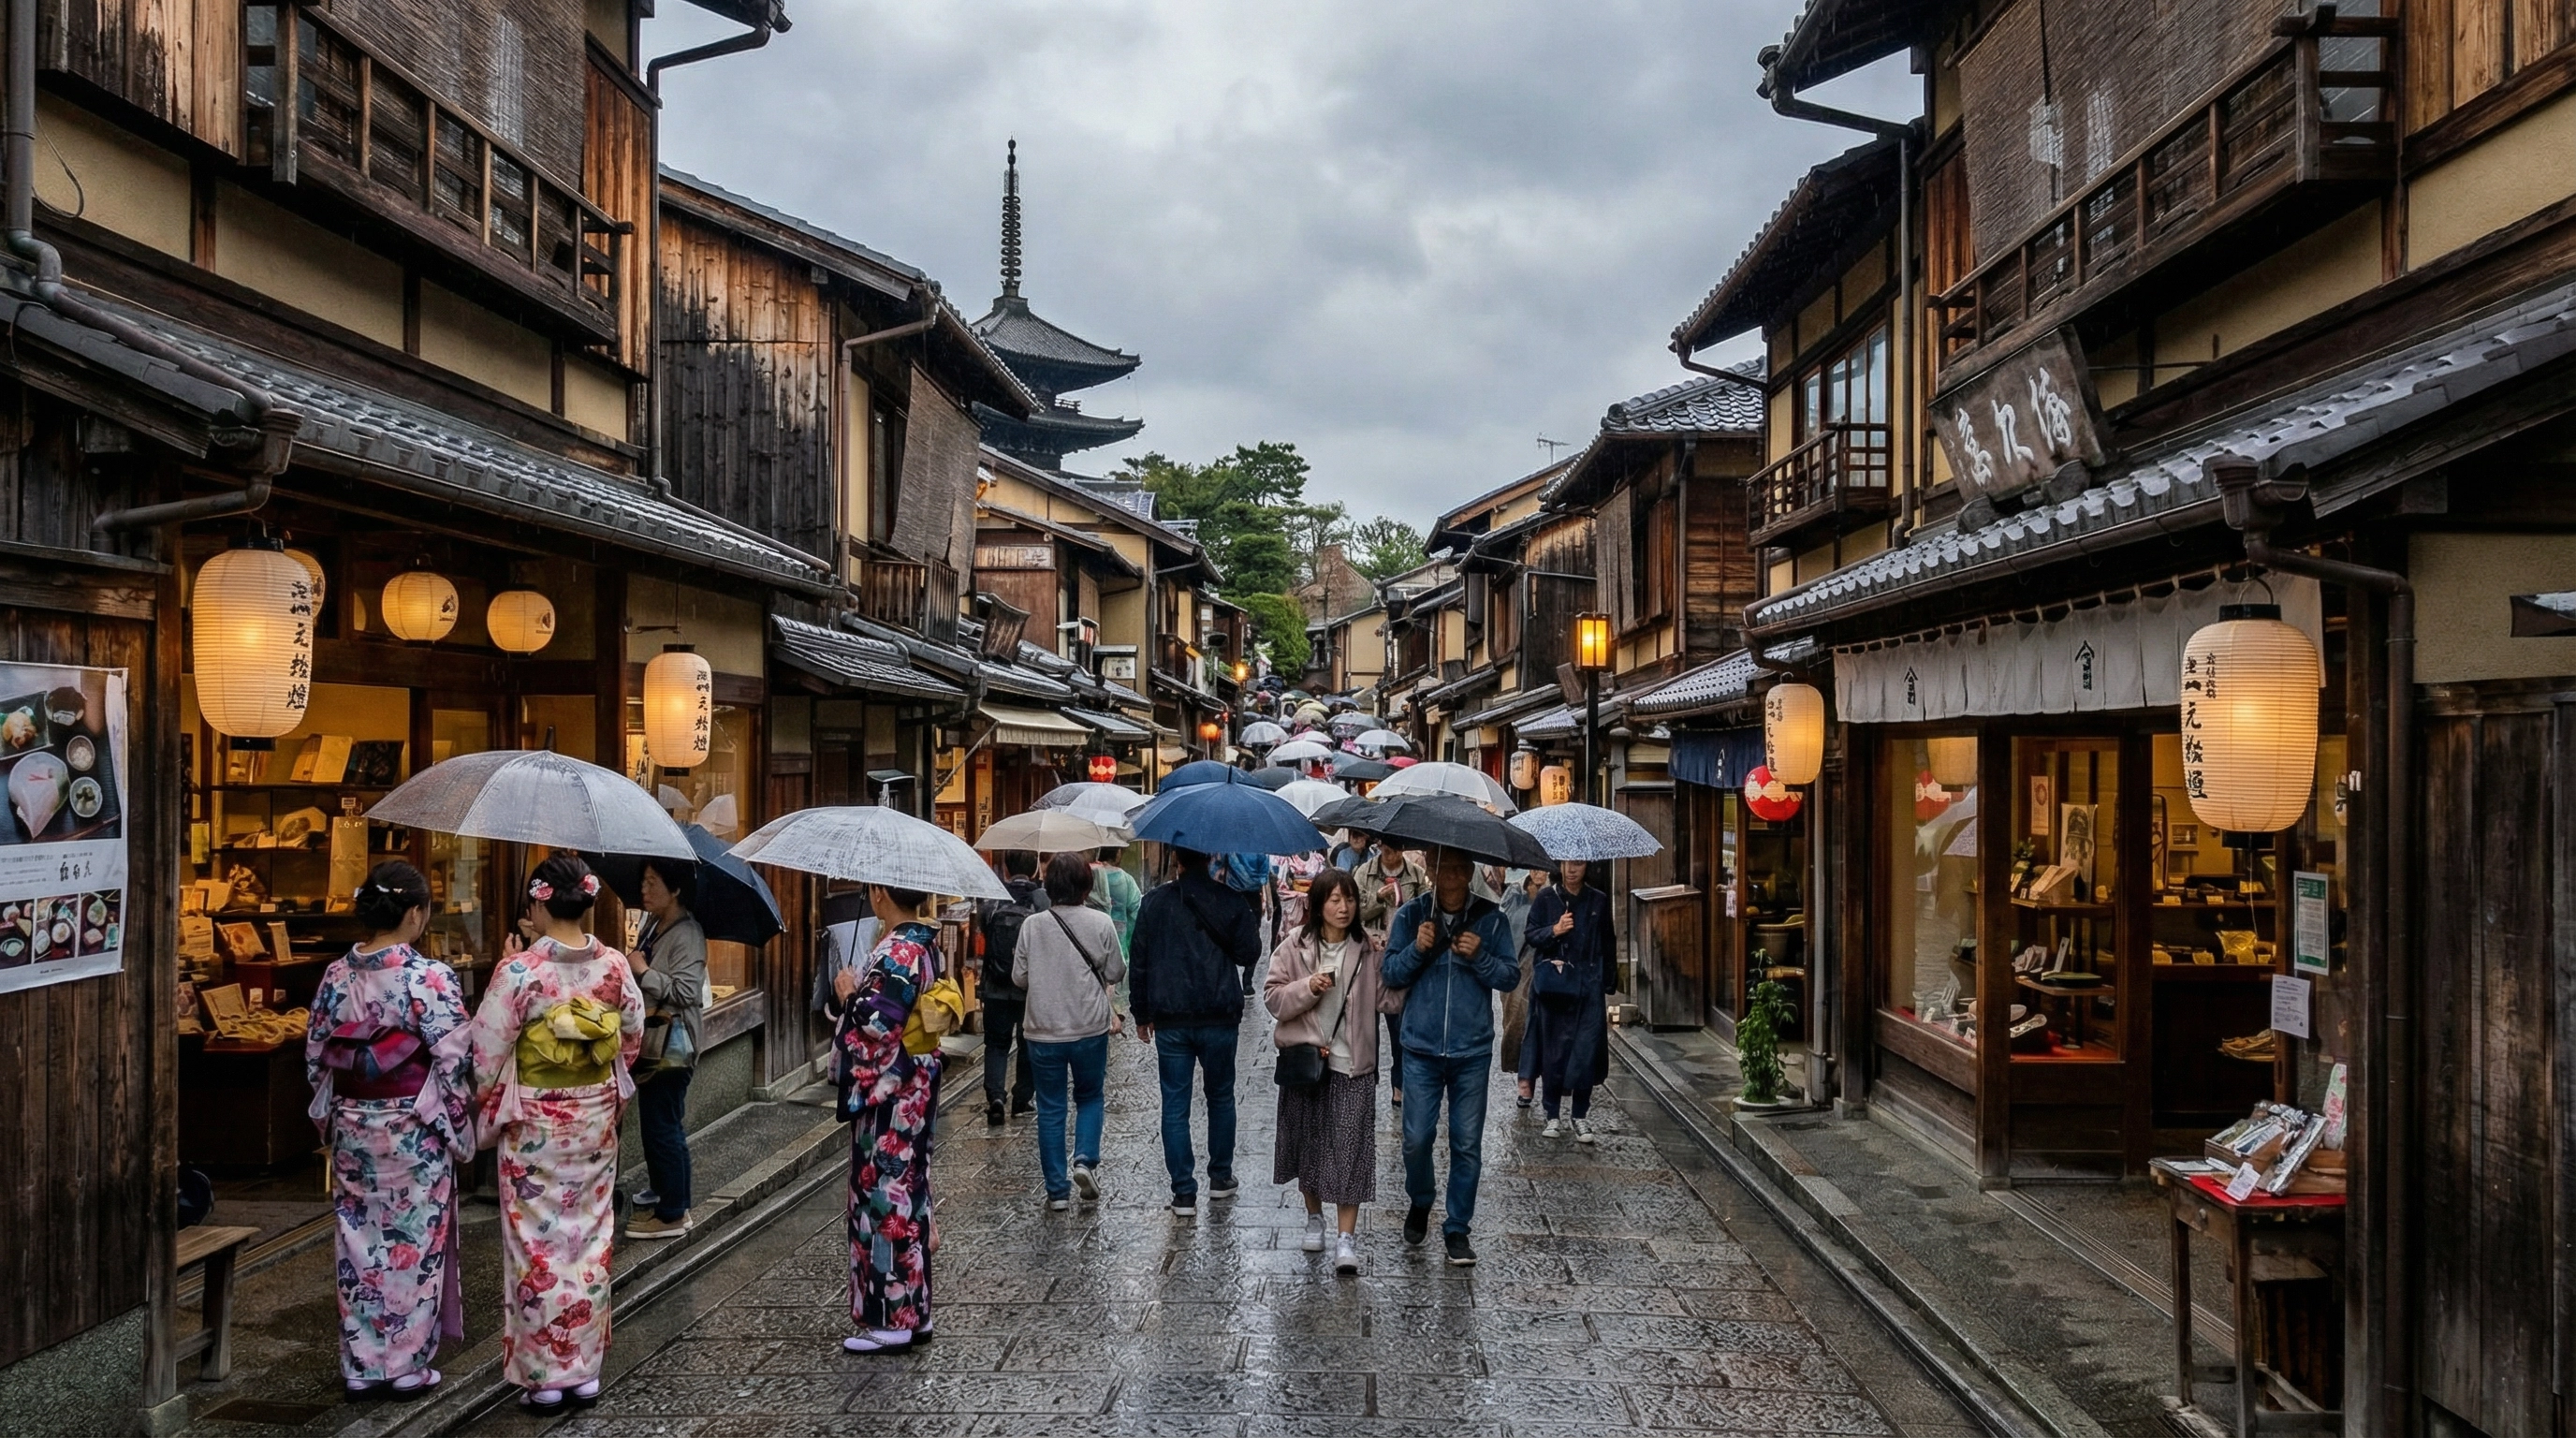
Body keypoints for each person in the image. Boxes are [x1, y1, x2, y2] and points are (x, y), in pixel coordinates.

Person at [453, 853, 644, 1412]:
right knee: (588, 1235)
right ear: (586, 901)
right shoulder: (612, 967)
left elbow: (484, 1058)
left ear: (538, 901)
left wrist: (478, 1101)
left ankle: (546, 1374)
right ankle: (583, 1369)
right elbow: (629, 1038)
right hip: (594, 1120)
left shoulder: (520, 973)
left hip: (536, 1122)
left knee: (537, 1242)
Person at [303, 861, 475, 1401]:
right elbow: (455, 1062)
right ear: (416, 912)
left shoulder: (336, 976)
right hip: (414, 1129)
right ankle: (403, 1364)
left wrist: (331, 1120)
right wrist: (461, 1123)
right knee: (413, 1241)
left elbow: (316, 1059)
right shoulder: (428, 978)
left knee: (359, 1242)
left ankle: (360, 1362)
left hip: (355, 1124)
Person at [1381, 847, 1518, 1268]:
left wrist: (1480, 956)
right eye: (1445, 868)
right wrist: (1417, 950)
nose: (1454, 877)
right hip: (1420, 1047)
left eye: (1462, 868)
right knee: (1416, 1138)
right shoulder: (1410, 916)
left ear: (1471, 871)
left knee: (1466, 1143)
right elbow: (1390, 973)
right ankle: (1420, 1198)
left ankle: (1458, 1226)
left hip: (1471, 1049)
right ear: (1432, 870)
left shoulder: (1491, 919)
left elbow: (1509, 976)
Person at [1264, 869, 1398, 1276]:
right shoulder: (1294, 946)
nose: (1344, 907)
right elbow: (1272, 998)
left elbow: (1390, 1001)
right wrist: (1308, 988)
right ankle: (1314, 1218)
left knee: (1350, 1150)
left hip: (1352, 1065)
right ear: (1318, 905)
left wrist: (1399, 948)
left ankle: (1346, 1238)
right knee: (1308, 1143)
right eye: (1335, 900)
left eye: (1350, 899)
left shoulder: (1368, 949)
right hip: (1306, 1062)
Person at [829, 883, 944, 1353]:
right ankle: (915, 1313)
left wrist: (848, 995)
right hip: (912, 1089)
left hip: (892, 1096)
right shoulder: (921, 944)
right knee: (910, 1196)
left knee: (886, 1200)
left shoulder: (898, 950)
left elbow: (877, 1027)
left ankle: (892, 1317)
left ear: (879, 894)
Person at [1128, 846, 1262, 1217]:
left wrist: (1141, 1013)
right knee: (1220, 1096)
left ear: (1175, 859)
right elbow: (1249, 954)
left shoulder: (1154, 903)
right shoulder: (1230, 900)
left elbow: (1139, 960)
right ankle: (1220, 1177)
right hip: (1219, 1014)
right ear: (1211, 857)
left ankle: (1184, 1192)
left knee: (1175, 1105)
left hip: (1171, 1019)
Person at [1015, 853, 1127, 1211]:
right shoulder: (1101, 922)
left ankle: (1057, 1192)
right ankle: (1084, 1160)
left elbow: (1019, 977)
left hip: (1042, 1028)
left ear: (1048, 885)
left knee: (1050, 1107)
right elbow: (1115, 972)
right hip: (1088, 1027)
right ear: (1086, 886)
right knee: (1090, 1096)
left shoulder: (1033, 925)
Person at [626, 856, 707, 1240]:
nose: (645, 889)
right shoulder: (656, 924)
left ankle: (674, 1211)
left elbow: (687, 993)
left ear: (675, 889)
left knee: (664, 1125)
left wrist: (643, 972)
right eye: (643, 881)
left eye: (653, 882)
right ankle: (663, 1189)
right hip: (655, 1039)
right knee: (655, 1119)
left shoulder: (687, 934)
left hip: (674, 1042)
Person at [1521, 860, 1617, 1141]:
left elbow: (1608, 941)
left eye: (1578, 863)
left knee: (1585, 1051)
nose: (1572, 870)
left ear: (1586, 866)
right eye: (1567, 864)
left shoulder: (1598, 899)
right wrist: (1555, 930)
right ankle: (1552, 1114)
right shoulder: (1546, 897)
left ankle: (1580, 1115)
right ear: (1560, 866)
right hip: (1556, 986)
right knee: (1554, 1050)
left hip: (1589, 987)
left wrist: (1608, 981)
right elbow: (1531, 935)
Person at [1355, 842, 1429, 1108]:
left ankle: (1399, 1084)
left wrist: (1405, 905)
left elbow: (1426, 909)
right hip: (1369, 954)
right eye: (1388, 849)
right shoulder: (1364, 873)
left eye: (1398, 849)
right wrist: (1378, 898)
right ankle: (1366, 1081)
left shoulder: (1415, 873)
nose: (1393, 854)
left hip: (1401, 955)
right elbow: (1355, 911)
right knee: (1365, 1026)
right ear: (1380, 848)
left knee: (1398, 1025)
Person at [975, 850, 1046, 1125]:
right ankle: (1021, 1099)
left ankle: (995, 1096)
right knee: (1027, 1042)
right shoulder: (1040, 900)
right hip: (1028, 984)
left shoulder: (994, 899)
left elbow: (985, 929)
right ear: (1033, 870)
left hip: (994, 984)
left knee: (995, 1043)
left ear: (1005, 868)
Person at [1498, 868, 1542, 1107]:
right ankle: (1522, 1075)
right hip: (1515, 964)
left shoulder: (1555, 895)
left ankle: (1529, 1078)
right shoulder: (1514, 892)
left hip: (1542, 964)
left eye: (1544, 868)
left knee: (1535, 1023)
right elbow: (1503, 924)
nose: (1539, 873)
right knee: (1516, 1021)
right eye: (1535, 868)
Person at [1085, 847, 1143, 956]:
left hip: (1091, 944)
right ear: (1118, 853)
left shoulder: (1086, 875)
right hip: (1119, 947)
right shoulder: (1126, 879)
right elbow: (1137, 913)